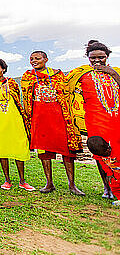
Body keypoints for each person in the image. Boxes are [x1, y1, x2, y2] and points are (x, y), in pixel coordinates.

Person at [21, 51, 84, 195]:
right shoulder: (28, 76)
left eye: (37, 58)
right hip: (39, 117)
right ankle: (49, 183)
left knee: (67, 151)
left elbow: (66, 92)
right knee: (44, 151)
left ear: (46, 59)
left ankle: (72, 184)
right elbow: (26, 97)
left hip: (59, 116)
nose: (34, 61)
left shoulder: (57, 74)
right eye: (31, 59)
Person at [67, 41, 120, 199]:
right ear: (88, 58)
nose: (97, 61)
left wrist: (112, 73)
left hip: (117, 119)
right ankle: (107, 187)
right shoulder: (81, 75)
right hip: (95, 120)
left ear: (107, 57)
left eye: (101, 57)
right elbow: (67, 92)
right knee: (100, 153)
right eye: (93, 58)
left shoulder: (116, 72)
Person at [0, 58, 35, 191]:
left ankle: (22, 181)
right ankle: (7, 180)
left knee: (19, 148)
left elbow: (18, 100)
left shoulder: (12, 83)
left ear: (3, 69)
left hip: (14, 119)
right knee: (2, 149)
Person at [86, 136, 120, 207]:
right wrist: (109, 173)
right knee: (114, 186)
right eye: (101, 155)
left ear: (108, 148)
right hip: (115, 172)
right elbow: (103, 164)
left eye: (105, 154)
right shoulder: (100, 154)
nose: (104, 156)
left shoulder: (117, 150)